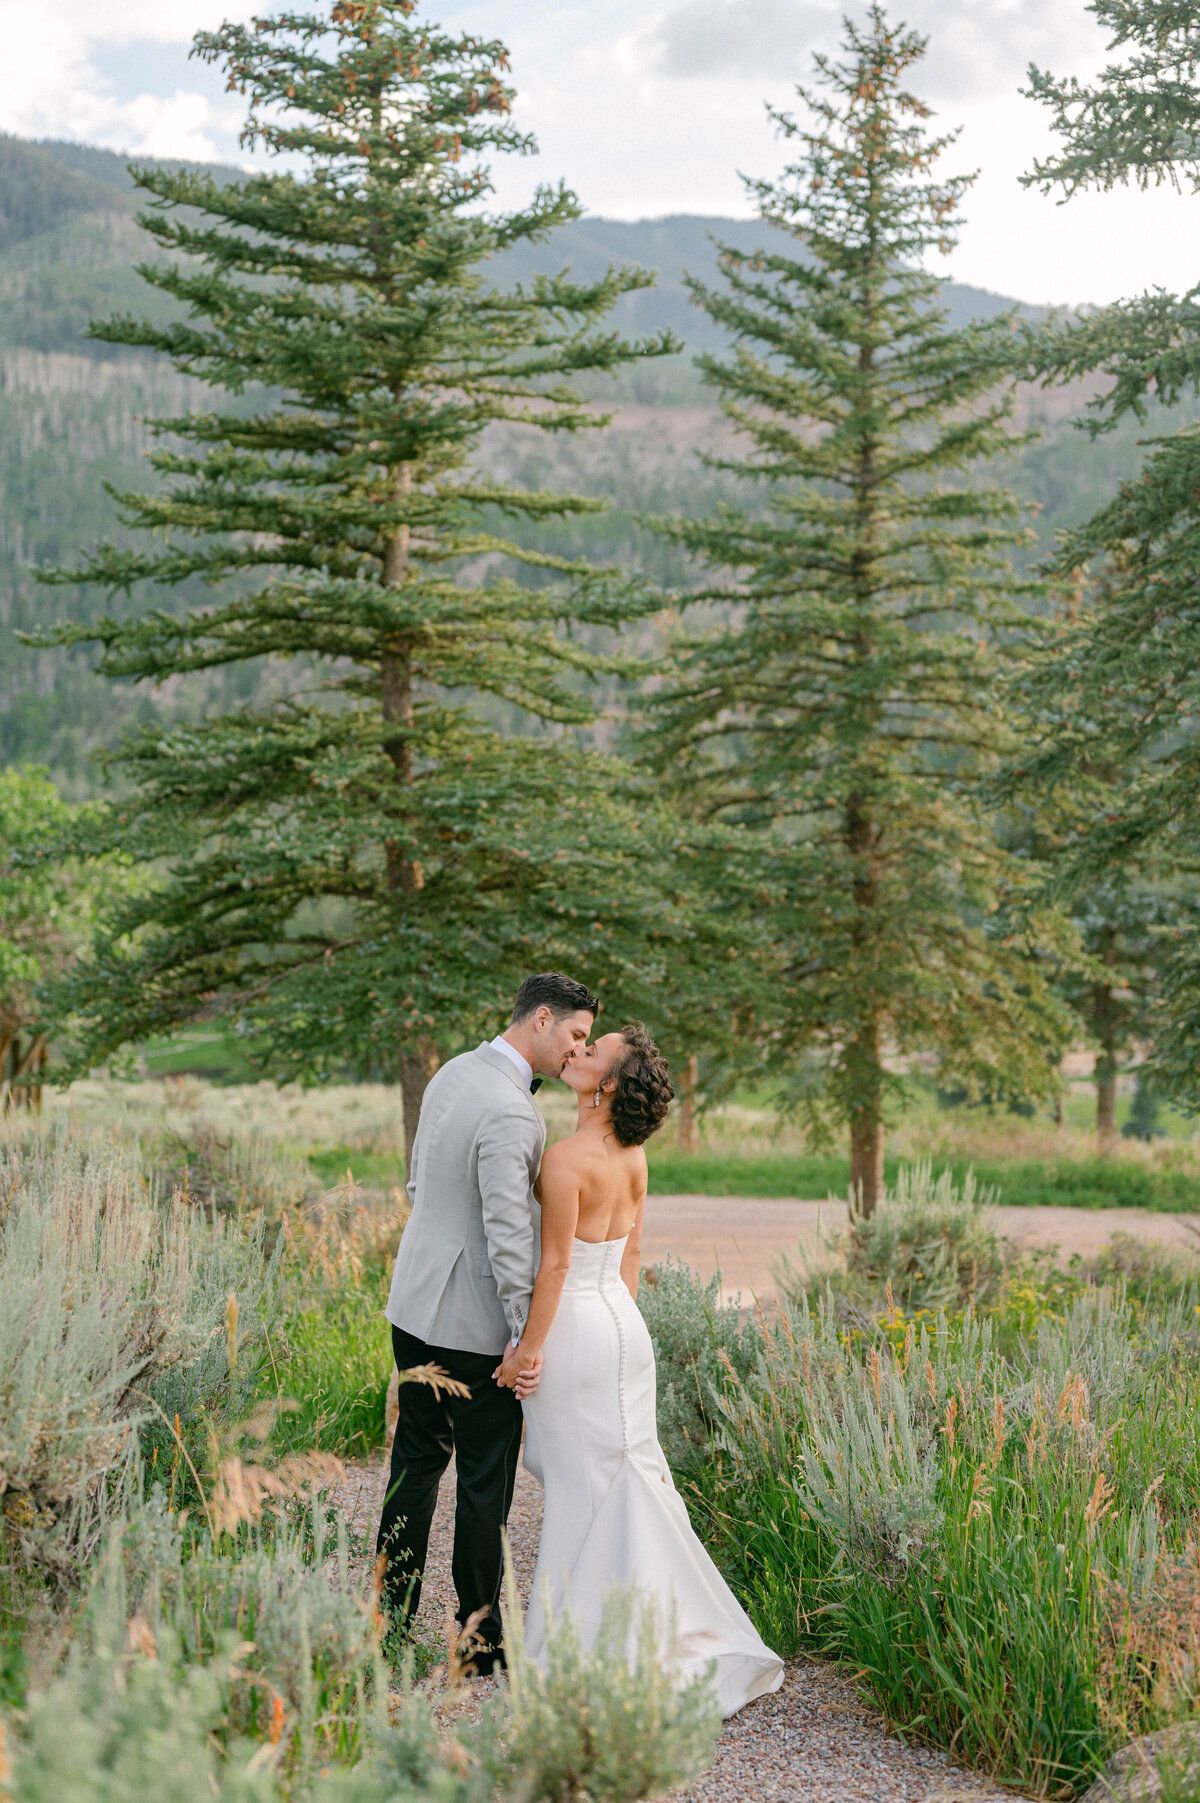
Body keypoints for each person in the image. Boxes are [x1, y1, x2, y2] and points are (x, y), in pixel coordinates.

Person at [499, 1022, 784, 1717]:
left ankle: (587, 1651)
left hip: (573, 1327)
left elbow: (557, 1266)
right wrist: (616, 1330)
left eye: (593, 1051)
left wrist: (529, 1349)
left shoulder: (566, 1159)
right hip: (624, 1328)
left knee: (580, 1488)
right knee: (626, 1476)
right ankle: (646, 1630)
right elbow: (628, 1257)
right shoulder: (635, 1155)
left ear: (608, 1084)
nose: (579, 1051)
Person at [376, 971, 598, 1672]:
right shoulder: (511, 1111)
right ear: (540, 1019)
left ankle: (384, 1621)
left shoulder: (451, 1071)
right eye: (575, 1033)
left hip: (413, 1305)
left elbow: (418, 1182)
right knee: (483, 1482)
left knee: (413, 1465)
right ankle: (476, 1644)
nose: (576, 1049)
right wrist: (520, 1336)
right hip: (472, 1328)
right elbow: (508, 1235)